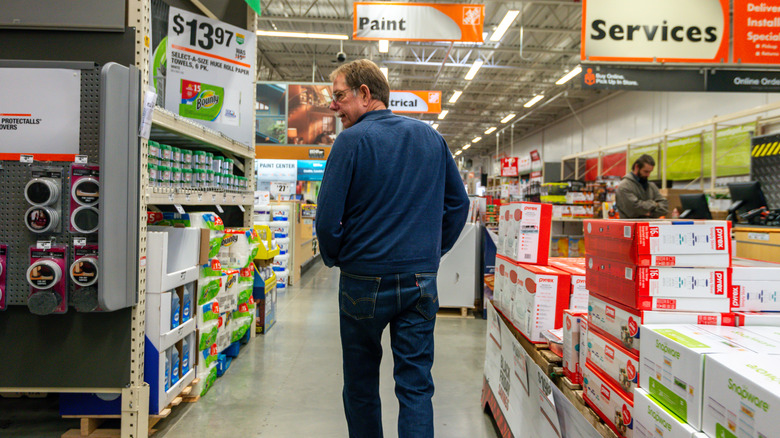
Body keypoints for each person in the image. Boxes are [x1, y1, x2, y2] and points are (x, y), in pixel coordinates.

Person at [315, 59, 469, 438]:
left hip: (362, 281)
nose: (334, 107)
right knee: (416, 385)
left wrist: (336, 257)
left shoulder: (350, 142)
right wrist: (433, 253)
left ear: (365, 94)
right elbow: (459, 205)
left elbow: (327, 218)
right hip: (419, 281)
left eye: (339, 97)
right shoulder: (431, 137)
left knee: (361, 383)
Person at [615, 154, 669, 218]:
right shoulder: (624, 186)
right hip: (632, 226)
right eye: (646, 171)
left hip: (649, 226)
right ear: (637, 167)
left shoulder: (651, 186)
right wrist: (654, 204)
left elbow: (665, 207)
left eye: (650, 172)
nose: (648, 175)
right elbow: (634, 209)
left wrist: (650, 213)